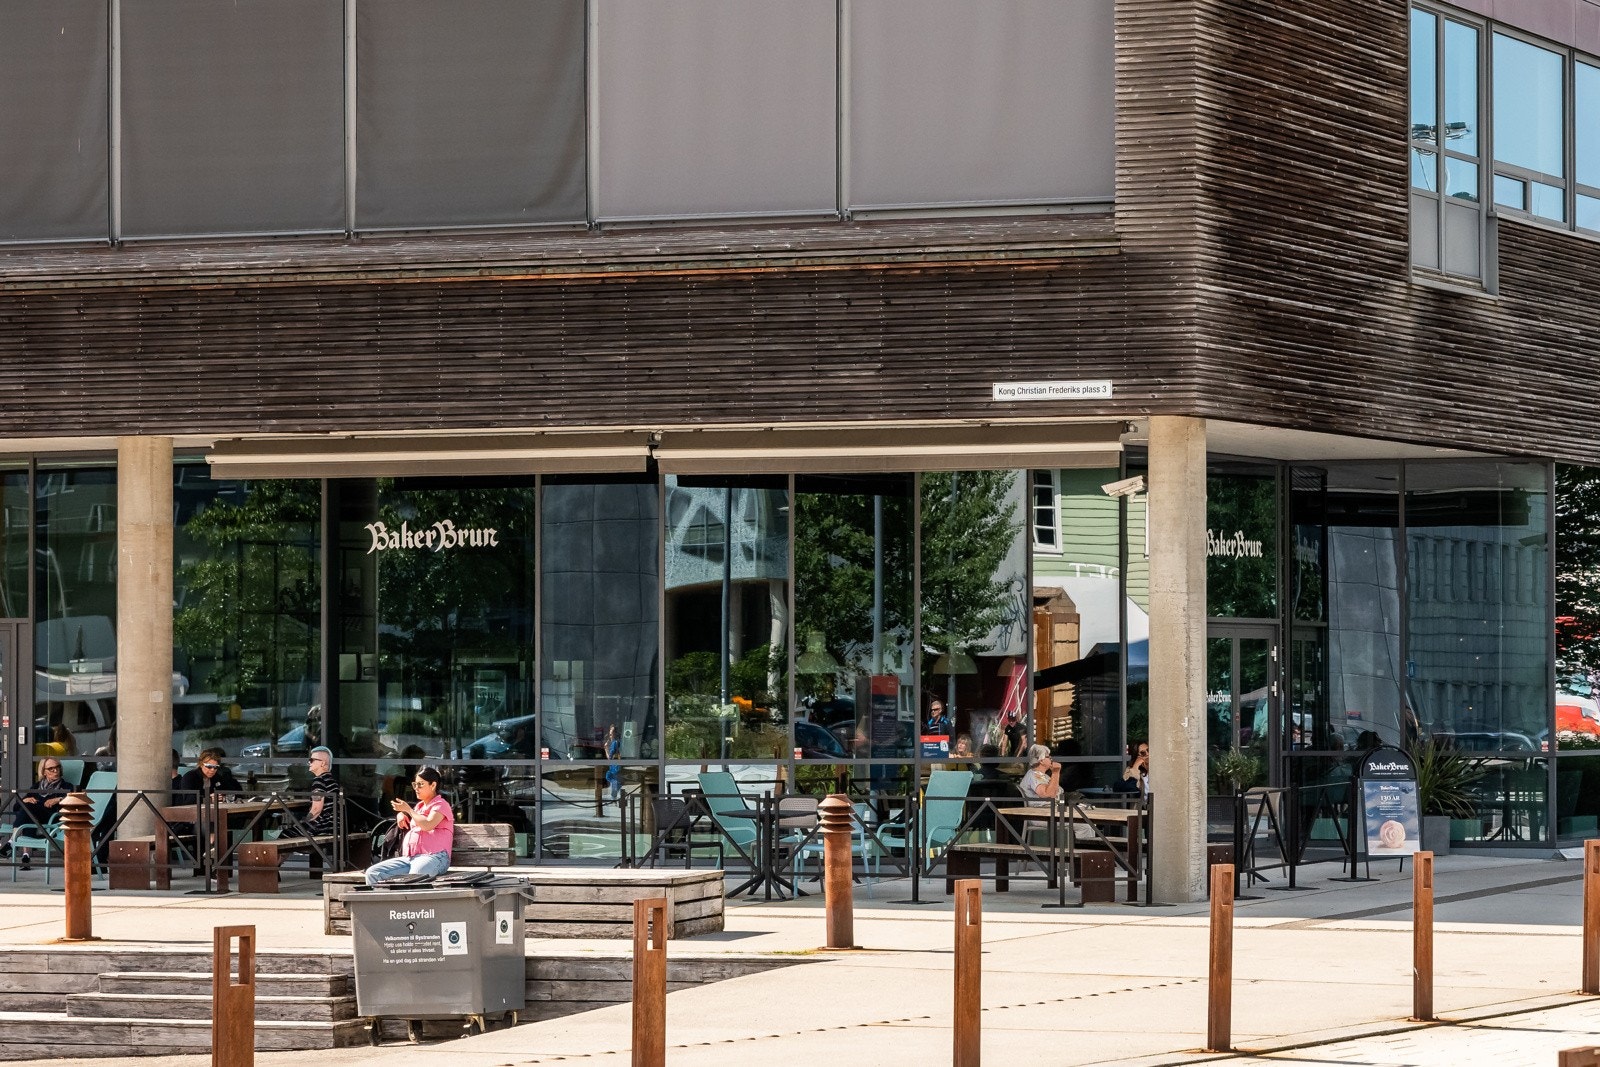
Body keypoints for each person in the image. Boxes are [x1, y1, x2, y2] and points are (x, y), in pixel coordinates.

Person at [365, 765, 454, 885]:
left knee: (416, 875)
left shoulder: (441, 805)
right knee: (373, 873)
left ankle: (408, 904)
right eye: (415, 784)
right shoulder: (419, 806)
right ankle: (384, 903)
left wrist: (409, 810)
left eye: (421, 784)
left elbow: (427, 825)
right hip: (410, 858)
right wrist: (401, 814)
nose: (416, 788)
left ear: (433, 785)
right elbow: (414, 817)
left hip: (435, 857)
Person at [4, 759, 71, 868]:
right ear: (44, 772)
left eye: (57, 767)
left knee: (28, 810)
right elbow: (16, 807)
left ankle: (12, 842)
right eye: (51, 768)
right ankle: (25, 857)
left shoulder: (66, 786)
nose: (55, 770)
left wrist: (59, 799)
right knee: (28, 811)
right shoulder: (36, 787)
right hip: (35, 818)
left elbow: (74, 798)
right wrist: (24, 800)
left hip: (51, 818)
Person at [287, 746, 340, 837]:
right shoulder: (331, 781)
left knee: (283, 835)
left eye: (312, 760)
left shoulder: (319, 781)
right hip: (334, 826)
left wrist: (303, 822)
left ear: (322, 763)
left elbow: (316, 810)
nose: (309, 763)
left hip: (321, 827)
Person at [174, 747, 242, 805]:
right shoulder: (190, 777)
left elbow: (234, 791)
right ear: (201, 764)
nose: (212, 770)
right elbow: (188, 799)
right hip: (189, 815)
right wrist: (208, 799)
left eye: (216, 767)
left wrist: (224, 797)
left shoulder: (216, 777)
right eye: (209, 767)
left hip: (211, 813)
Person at [604, 724, 622, 805]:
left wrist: (606, 749)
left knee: (613, 779)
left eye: (613, 731)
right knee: (614, 780)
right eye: (611, 730)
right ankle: (616, 796)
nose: (611, 732)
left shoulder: (614, 743)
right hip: (615, 766)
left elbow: (609, 758)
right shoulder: (615, 742)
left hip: (614, 766)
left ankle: (614, 797)